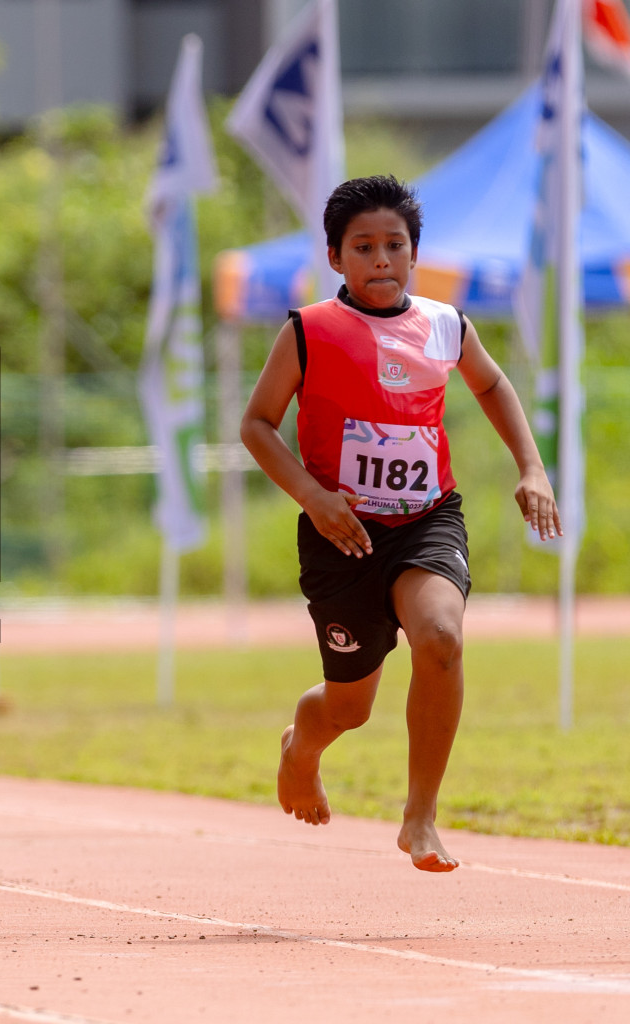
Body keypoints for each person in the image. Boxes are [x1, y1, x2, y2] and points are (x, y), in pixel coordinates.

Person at [240, 175, 560, 873]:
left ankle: (421, 817)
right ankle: (302, 746)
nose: (380, 258)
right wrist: (311, 496)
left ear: (415, 253)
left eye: (395, 245)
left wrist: (531, 468)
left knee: (441, 638)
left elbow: (493, 384)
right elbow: (257, 424)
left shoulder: (447, 325)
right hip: (340, 532)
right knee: (349, 708)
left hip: (426, 519)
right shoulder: (309, 329)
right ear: (336, 257)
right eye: (364, 247)